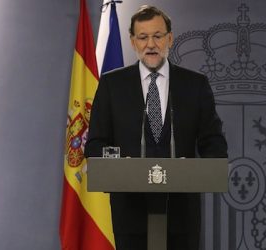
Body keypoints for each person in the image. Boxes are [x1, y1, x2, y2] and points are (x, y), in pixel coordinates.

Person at [84, 5, 228, 250]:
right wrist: (117, 166)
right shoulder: (112, 85)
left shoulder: (195, 85)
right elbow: (95, 142)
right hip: (130, 212)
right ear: (133, 42)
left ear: (169, 38)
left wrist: (202, 167)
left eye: (157, 36)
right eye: (143, 37)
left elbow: (213, 141)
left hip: (182, 213)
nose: (151, 44)